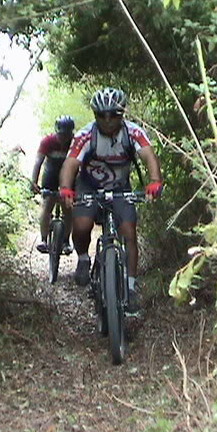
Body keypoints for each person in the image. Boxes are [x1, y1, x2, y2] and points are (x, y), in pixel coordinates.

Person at [58, 88, 163, 313]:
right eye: (101, 115)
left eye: (113, 114)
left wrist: (155, 181)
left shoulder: (132, 132)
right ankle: (84, 258)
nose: (107, 120)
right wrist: (66, 188)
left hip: (119, 188)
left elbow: (148, 154)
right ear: (95, 116)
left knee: (129, 232)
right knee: (82, 225)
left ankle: (131, 287)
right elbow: (70, 163)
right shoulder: (85, 135)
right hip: (89, 186)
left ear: (122, 114)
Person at [30, 115, 76, 254]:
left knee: (67, 207)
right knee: (47, 204)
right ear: (57, 131)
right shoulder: (48, 141)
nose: (64, 138)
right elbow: (38, 162)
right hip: (50, 175)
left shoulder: (75, 143)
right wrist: (34, 182)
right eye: (61, 134)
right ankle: (44, 240)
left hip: (68, 175)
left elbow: (81, 165)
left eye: (67, 134)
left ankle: (66, 241)